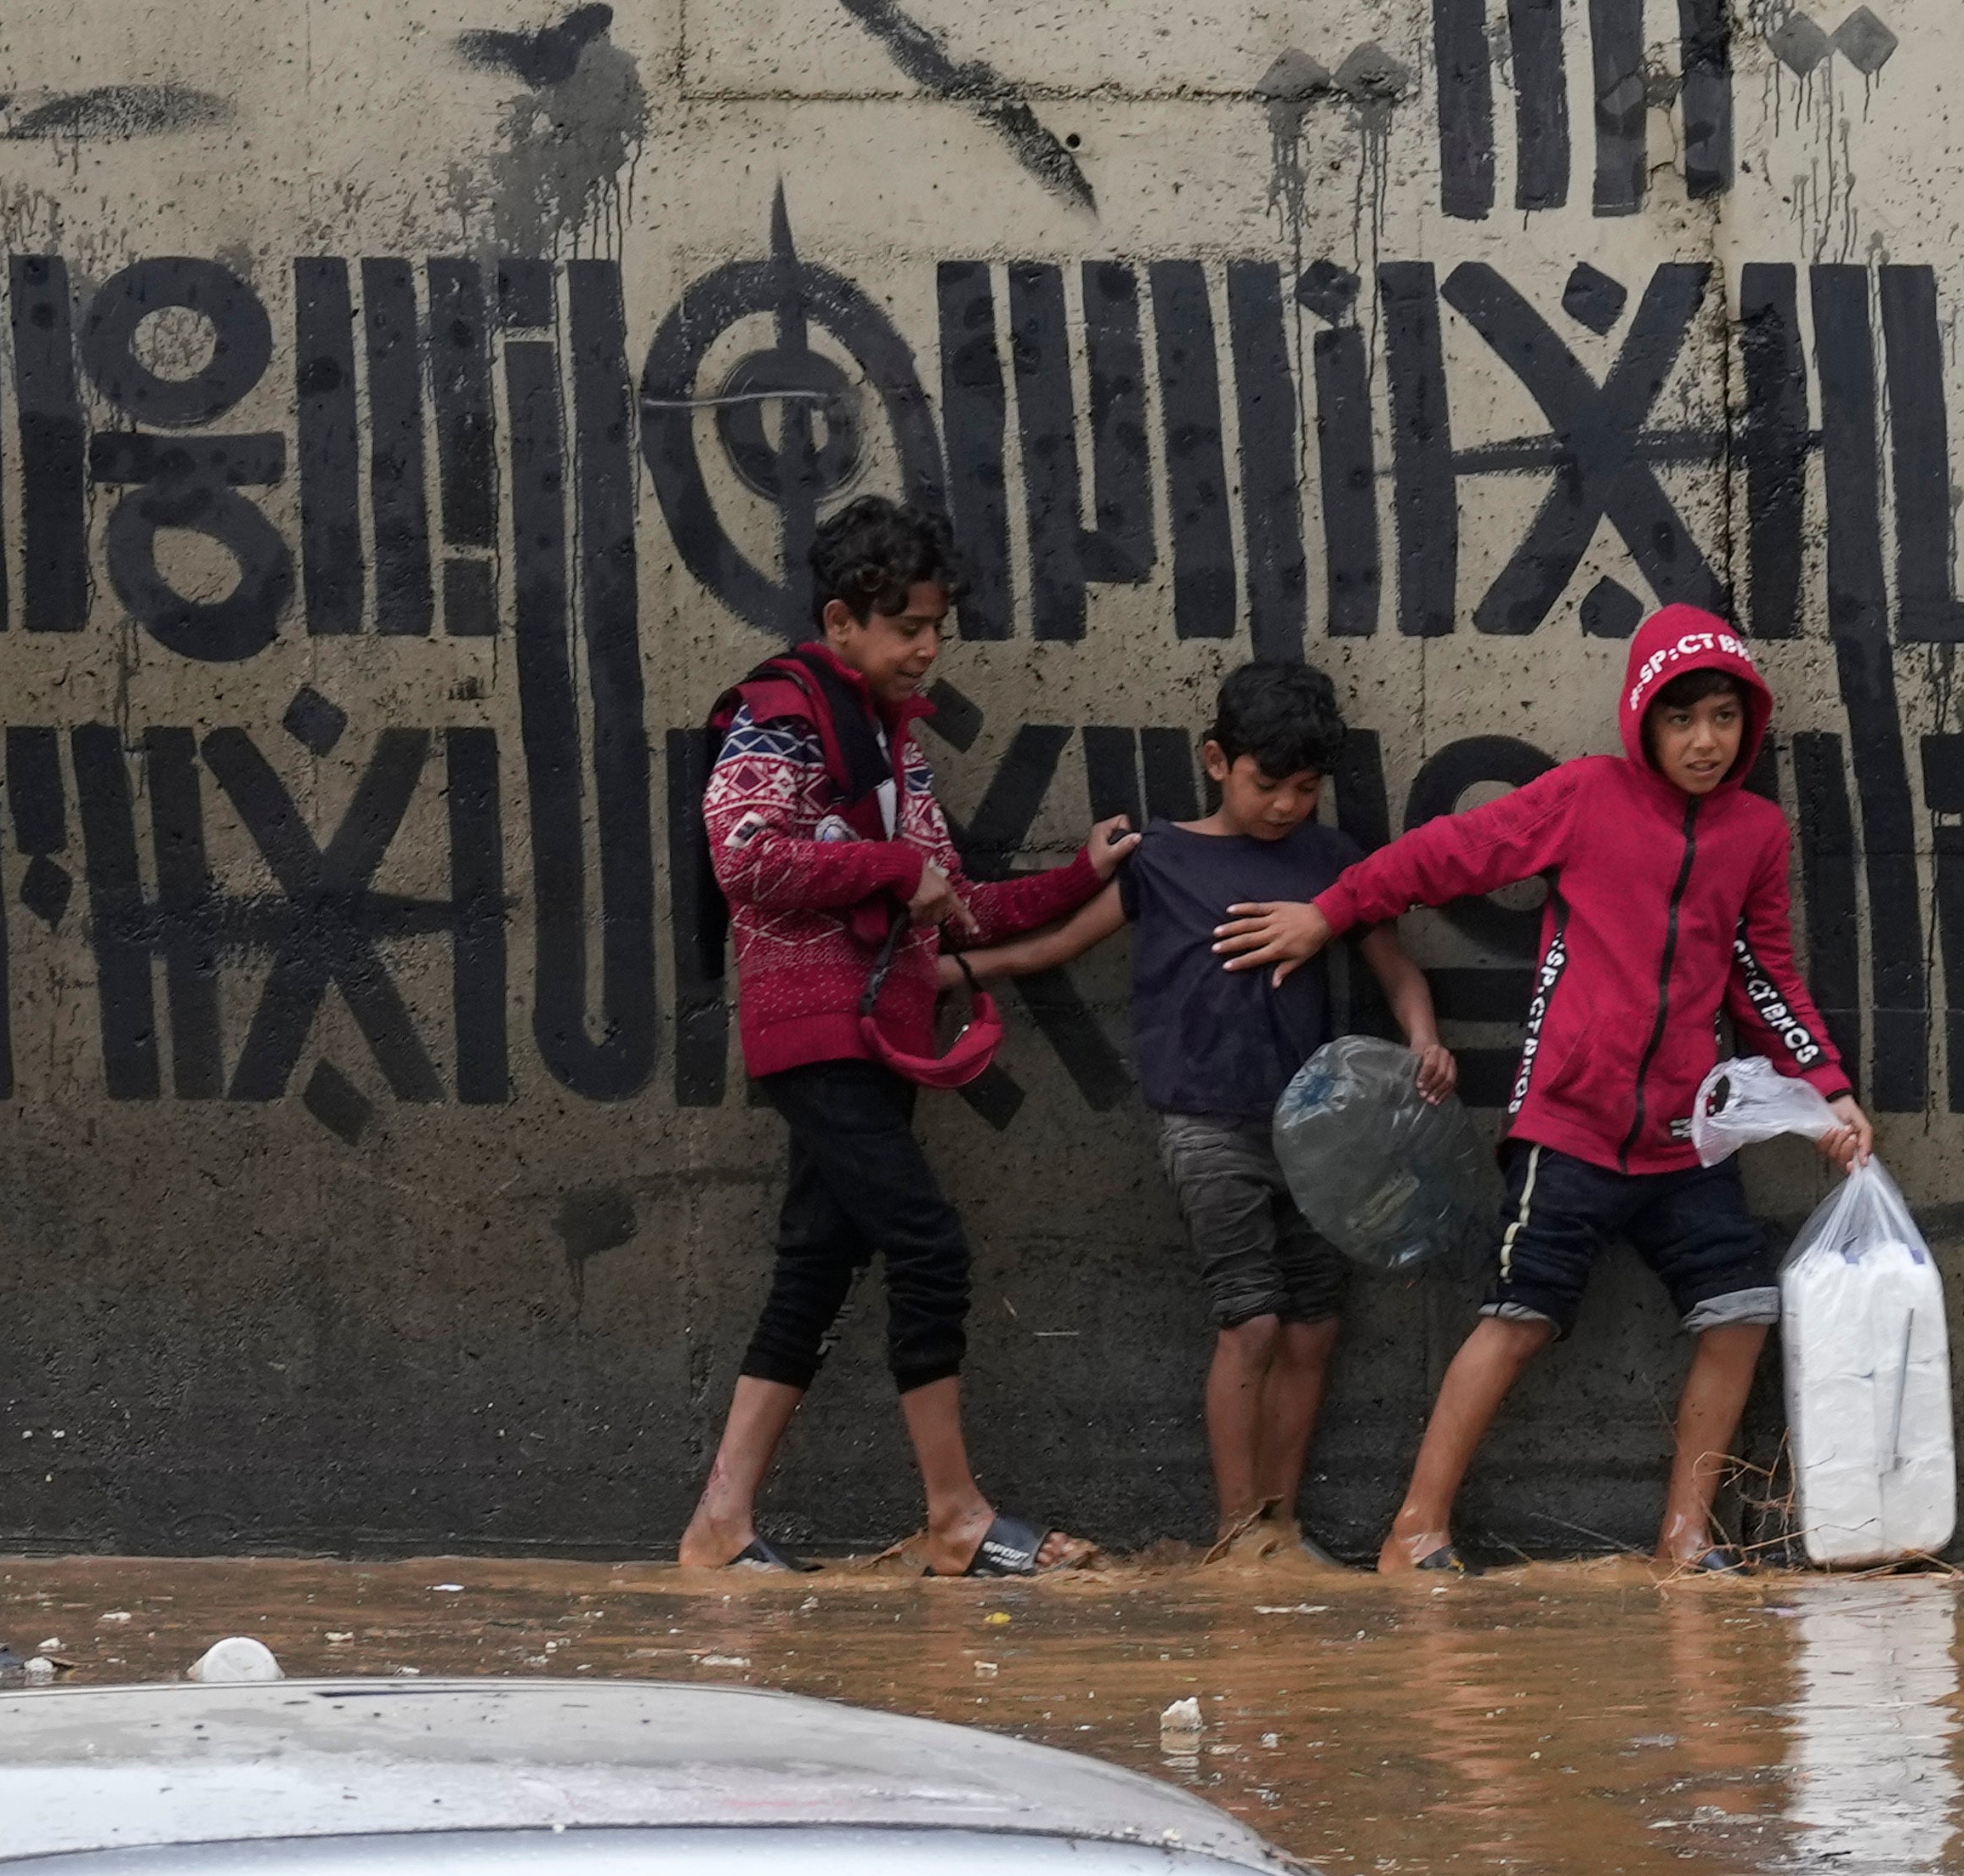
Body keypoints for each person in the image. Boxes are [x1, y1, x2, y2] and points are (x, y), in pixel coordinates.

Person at [1212, 602, 1866, 1580]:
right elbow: (1445, 856)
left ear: (1749, 723)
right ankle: (1415, 1530)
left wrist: (1828, 1090)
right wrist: (1330, 912)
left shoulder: (1755, 834)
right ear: (1642, 718)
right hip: (1570, 1126)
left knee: (1741, 1310)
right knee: (1517, 1318)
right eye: (1681, 718)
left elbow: (1762, 969)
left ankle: (1686, 1539)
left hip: (1689, 1139)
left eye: (1724, 718)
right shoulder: (1586, 798)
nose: (1703, 742)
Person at [668, 497, 1115, 1578]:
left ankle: (718, 1528)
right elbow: (746, 858)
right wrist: (889, 870)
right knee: (928, 1246)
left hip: (878, 1035)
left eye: (937, 630)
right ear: (842, 618)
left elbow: (952, 899)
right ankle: (954, 1513)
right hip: (812, 1032)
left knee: (816, 1269)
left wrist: (1080, 878)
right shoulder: (778, 713)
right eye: (907, 628)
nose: (927, 651)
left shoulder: (890, 746)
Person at [1077, 661, 1452, 1563]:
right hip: (1206, 1126)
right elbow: (1062, 936)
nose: (1286, 805)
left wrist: (1424, 1037)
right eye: (1266, 783)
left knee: (1314, 1326)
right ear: (1216, 760)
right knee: (1249, 1321)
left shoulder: (1330, 861)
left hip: (1314, 1131)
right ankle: (1235, 1531)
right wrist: (963, 970)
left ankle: (1280, 1527)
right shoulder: (1163, 857)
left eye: (1305, 788)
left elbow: (1392, 965)